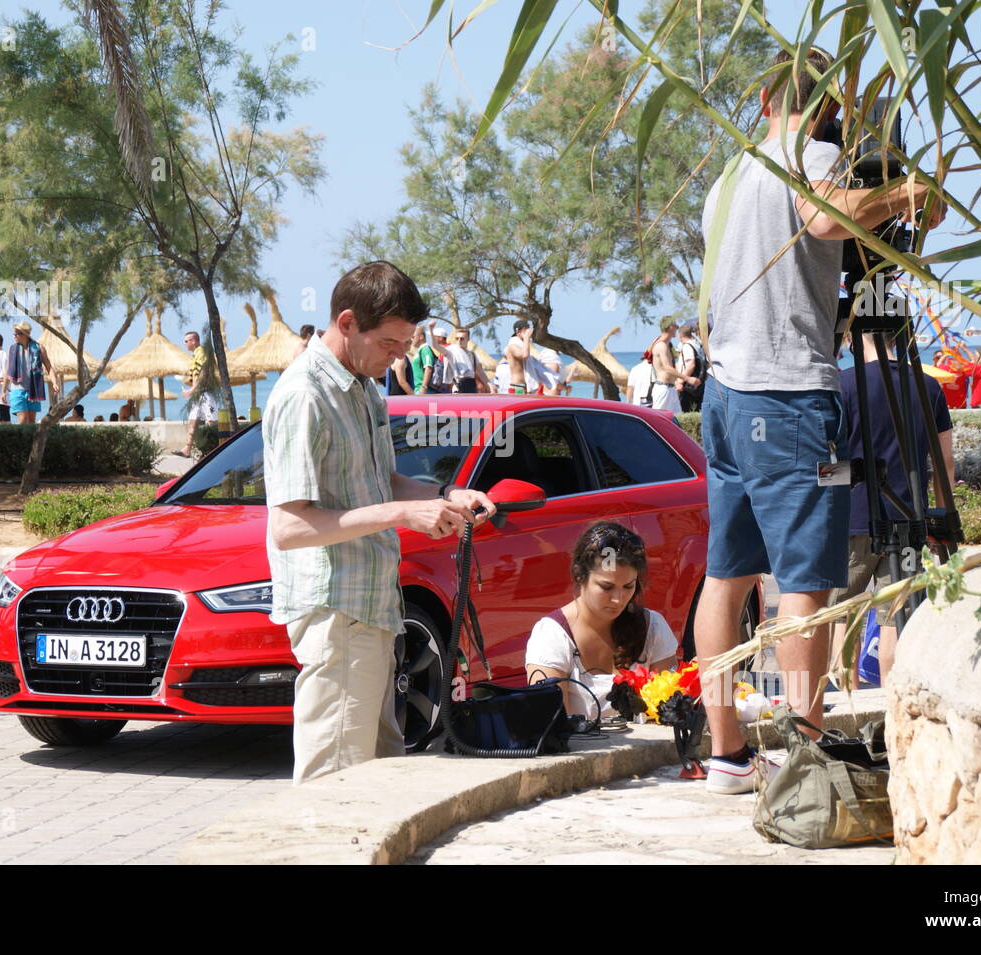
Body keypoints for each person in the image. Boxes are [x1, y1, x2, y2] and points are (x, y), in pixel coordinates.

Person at [695, 47, 943, 794]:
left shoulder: (732, 172)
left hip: (724, 394)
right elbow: (824, 213)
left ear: (766, 102)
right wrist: (906, 194)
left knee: (727, 573)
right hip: (788, 395)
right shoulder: (816, 154)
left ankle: (727, 753)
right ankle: (804, 757)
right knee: (806, 580)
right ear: (832, 107)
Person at [264, 260, 496, 784]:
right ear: (347, 323)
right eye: (390, 343)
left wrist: (447, 494)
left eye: (405, 343)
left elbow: (381, 481)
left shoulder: (364, 386)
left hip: (372, 607)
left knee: (379, 777)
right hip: (336, 611)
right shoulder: (305, 395)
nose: (400, 356)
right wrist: (402, 515)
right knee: (336, 783)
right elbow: (290, 528)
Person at [831, 331, 954, 686]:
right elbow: (944, 462)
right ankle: (892, 707)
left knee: (842, 619)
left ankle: (847, 715)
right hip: (908, 521)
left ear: (855, 340)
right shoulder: (928, 386)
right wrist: (941, 520)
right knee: (896, 620)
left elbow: (822, 468)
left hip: (851, 521)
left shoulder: (841, 384)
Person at [525, 522, 678, 718]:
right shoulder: (552, 636)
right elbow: (548, 722)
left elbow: (670, 710)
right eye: (606, 587)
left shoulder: (653, 626)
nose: (618, 599)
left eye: (628, 586)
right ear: (580, 576)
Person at [6, 321, 59, 425]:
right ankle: (20, 441)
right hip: (17, 390)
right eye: (14, 333)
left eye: (16, 333)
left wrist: (55, 382)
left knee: (31, 421)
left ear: (24, 334)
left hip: (33, 389)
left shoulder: (39, 348)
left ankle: (30, 441)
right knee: (22, 419)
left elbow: (49, 367)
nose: (14, 336)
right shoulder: (12, 349)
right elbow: (7, 371)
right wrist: (4, 391)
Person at [175, 331, 218, 457]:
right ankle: (187, 448)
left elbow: (203, 373)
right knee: (192, 421)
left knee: (212, 422)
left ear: (194, 341)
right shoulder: (195, 355)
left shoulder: (201, 353)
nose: (184, 344)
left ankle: (218, 447)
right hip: (198, 394)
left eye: (186, 341)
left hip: (206, 394)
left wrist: (192, 389)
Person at [645, 321, 682, 412]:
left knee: (678, 420)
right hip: (663, 388)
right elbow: (667, 367)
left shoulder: (668, 344)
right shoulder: (661, 345)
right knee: (658, 419)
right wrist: (687, 378)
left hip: (670, 388)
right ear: (670, 327)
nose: (677, 328)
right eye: (675, 326)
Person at [445, 327, 490, 394]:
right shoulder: (451, 351)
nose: (459, 341)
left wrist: (488, 386)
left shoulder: (472, 354)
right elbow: (436, 346)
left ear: (468, 339)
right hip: (457, 387)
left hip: (471, 387)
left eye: (462, 339)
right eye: (457, 338)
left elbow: (480, 371)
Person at [676, 323, 707, 412]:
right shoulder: (697, 346)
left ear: (680, 335)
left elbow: (690, 364)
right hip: (698, 384)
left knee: (685, 411)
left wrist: (681, 381)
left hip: (688, 386)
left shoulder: (687, 346)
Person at [502, 320, 534, 394]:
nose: (529, 333)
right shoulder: (512, 346)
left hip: (524, 387)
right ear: (518, 332)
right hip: (517, 387)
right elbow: (524, 355)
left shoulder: (523, 346)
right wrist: (526, 338)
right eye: (526, 331)